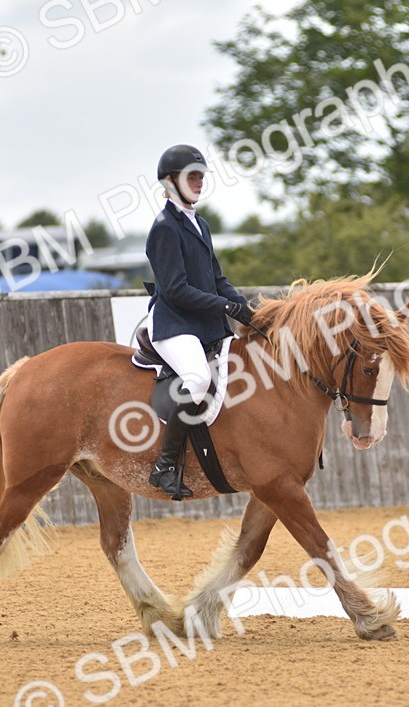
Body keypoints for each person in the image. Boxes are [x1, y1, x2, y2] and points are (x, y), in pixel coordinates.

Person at [143, 144, 255, 498]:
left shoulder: (200, 224)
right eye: (192, 176)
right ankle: (163, 467)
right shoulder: (164, 228)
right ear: (170, 181)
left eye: (201, 176)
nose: (199, 183)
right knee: (198, 377)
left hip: (204, 325)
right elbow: (175, 290)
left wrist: (245, 308)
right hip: (174, 324)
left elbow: (216, 278)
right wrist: (224, 307)